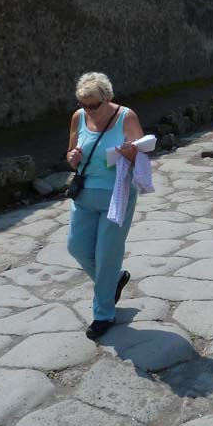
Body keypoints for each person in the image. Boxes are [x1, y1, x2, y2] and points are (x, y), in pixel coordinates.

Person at [66, 72, 143, 339]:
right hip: (85, 194)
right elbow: (71, 156)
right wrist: (73, 157)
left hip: (117, 194)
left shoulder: (126, 117)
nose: (88, 110)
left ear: (107, 98)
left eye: (94, 105)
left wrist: (131, 154)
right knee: (76, 246)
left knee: (106, 253)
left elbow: (143, 157)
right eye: (84, 104)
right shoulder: (79, 117)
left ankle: (103, 314)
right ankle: (115, 279)